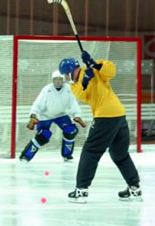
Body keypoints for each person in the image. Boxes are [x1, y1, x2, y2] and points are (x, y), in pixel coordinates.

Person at [58, 52, 142, 203]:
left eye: (66, 74)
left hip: (106, 116)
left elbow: (111, 70)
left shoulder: (94, 69)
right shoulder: (75, 86)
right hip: (118, 114)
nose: (66, 78)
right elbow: (82, 94)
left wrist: (95, 63)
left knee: (90, 151)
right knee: (119, 154)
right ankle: (135, 189)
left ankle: (81, 190)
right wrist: (84, 81)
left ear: (71, 71)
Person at [19, 70, 86, 162]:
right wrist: (33, 115)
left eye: (60, 79)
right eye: (55, 80)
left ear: (63, 80)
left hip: (61, 115)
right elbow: (37, 104)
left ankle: (67, 155)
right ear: (53, 80)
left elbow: (74, 103)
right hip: (45, 116)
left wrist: (77, 115)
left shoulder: (68, 89)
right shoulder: (47, 89)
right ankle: (25, 156)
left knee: (71, 131)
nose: (58, 82)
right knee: (43, 136)